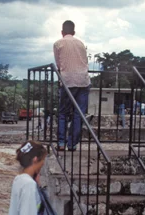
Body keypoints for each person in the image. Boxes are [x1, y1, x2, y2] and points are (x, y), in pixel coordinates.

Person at [54, 20, 91, 152]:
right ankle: (72, 144)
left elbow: (58, 64)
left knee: (63, 113)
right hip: (83, 80)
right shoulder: (81, 44)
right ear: (74, 32)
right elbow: (85, 62)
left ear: (62, 32)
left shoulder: (58, 44)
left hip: (67, 81)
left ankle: (61, 143)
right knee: (78, 114)